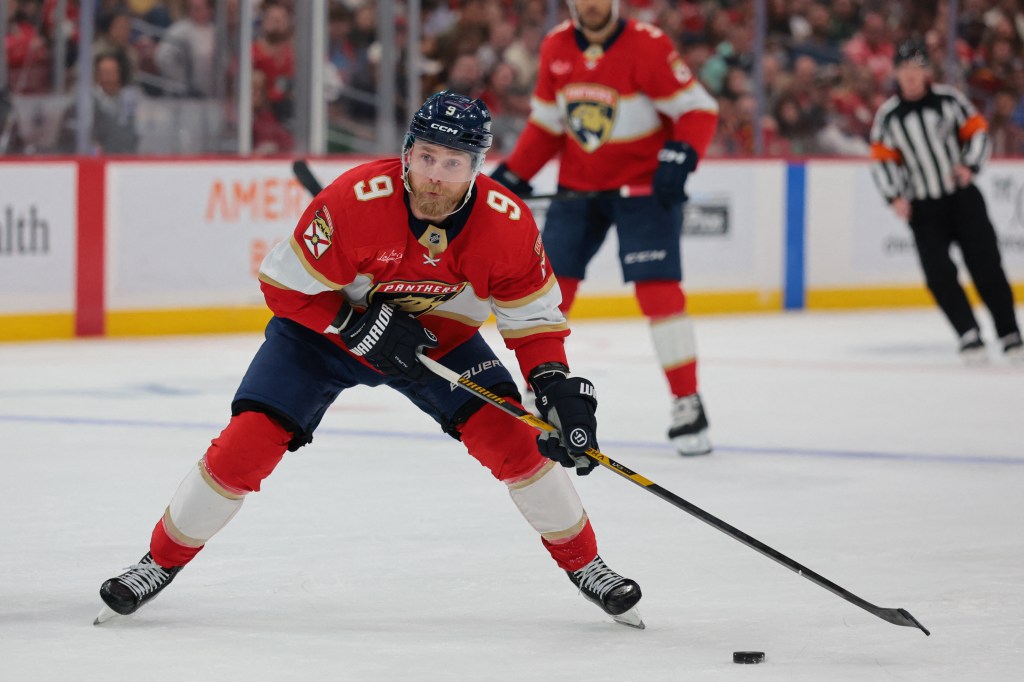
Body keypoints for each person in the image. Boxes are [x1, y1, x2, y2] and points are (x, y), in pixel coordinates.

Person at [96, 91, 643, 629]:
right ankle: (158, 562)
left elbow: (535, 323)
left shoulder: (507, 223)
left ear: (477, 168)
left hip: (436, 346)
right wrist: (352, 323)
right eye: (426, 156)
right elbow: (282, 287)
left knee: (518, 444)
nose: (435, 175)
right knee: (247, 443)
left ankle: (587, 565)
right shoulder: (353, 200)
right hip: (320, 339)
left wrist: (552, 383)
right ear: (406, 152)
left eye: (453, 163)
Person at [490, 0, 720, 456]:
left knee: (658, 292)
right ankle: (539, 396)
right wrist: (515, 173)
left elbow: (698, 109)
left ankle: (687, 403)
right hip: (579, 189)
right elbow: (548, 125)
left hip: (642, 190)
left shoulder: (647, 45)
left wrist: (682, 154)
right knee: (547, 293)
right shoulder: (556, 46)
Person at [869, 40, 1022, 365]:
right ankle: (968, 333)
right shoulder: (889, 116)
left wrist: (970, 165)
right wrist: (894, 196)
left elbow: (978, 132)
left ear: (927, 71)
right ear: (896, 73)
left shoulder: (949, 101)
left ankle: (1009, 333)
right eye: (905, 69)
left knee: (986, 265)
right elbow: (882, 160)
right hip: (923, 208)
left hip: (962, 199)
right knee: (938, 274)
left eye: (917, 68)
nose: (911, 75)